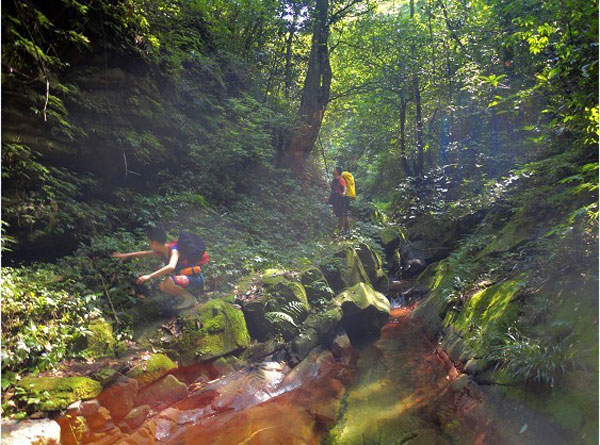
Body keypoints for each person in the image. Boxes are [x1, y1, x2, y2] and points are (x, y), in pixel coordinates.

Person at [111, 227, 208, 310]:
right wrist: (125, 255)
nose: (149, 244)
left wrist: (150, 276)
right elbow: (145, 254)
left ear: (155, 242)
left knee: (168, 282)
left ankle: (190, 299)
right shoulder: (163, 250)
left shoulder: (174, 251)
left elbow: (171, 266)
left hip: (195, 280)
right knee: (162, 286)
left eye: (149, 241)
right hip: (186, 280)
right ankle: (185, 297)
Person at [329, 167, 350, 233]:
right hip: (337, 199)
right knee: (339, 214)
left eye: (334, 170)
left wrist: (343, 193)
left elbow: (344, 187)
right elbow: (332, 190)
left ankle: (345, 229)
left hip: (342, 198)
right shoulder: (334, 180)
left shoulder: (341, 179)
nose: (333, 171)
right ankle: (341, 228)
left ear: (337, 171)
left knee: (344, 214)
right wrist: (329, 197)